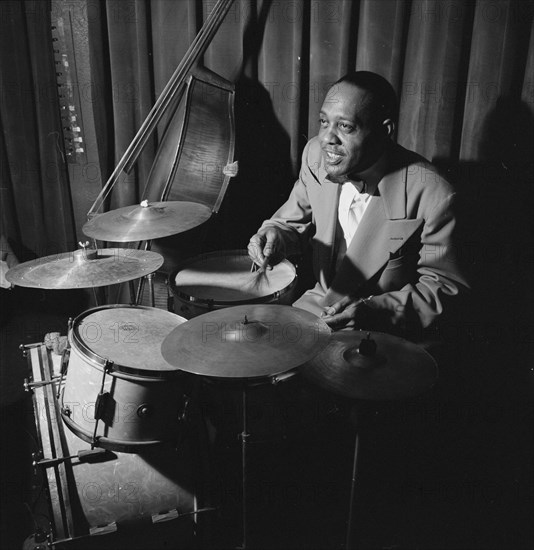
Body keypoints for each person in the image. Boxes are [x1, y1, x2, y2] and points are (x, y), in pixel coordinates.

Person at [248, 71, 469, 338]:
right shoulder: (316, 155)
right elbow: (289, 224)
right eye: (323, 122)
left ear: (385, 131)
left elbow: (445, 287)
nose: (328, 138)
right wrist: (273, 235)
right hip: (313, 311)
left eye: (346, 127)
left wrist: (375, 312)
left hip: (382, 334)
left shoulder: (435, 193)